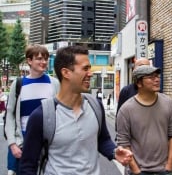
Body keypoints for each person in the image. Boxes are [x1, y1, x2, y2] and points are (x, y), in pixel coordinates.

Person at [20, 45, 132, 175]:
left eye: (89, 68)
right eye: (85, 69)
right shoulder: (42, 116)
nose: (90, 74)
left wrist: (114, 152)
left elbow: (103, 140)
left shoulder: (95, 105)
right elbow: (28, 166)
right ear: (66, 73)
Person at [4, 44, 60, 175]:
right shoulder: (18, 84)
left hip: (48, 144)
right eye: (39, 58)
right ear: (29, 61)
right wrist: (12, 144)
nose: (44, 62)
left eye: (46, 58)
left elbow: (60, 112)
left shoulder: (54, 83)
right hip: (23, 142)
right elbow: (10, 115)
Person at [116, 65, 172, 175]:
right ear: (139, 83)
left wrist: (169, 165)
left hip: (163, 169)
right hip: (138, 170)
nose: (157, 79)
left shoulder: (168, 103)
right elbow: (123, 142)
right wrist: (136, 170)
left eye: (157, 76)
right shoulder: (126, 109)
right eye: (151, 77)